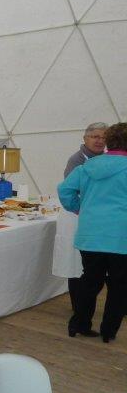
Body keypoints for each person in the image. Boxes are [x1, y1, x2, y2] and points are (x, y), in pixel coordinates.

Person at [58, 123, 127, 343]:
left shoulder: (88, 166)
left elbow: (64, 190)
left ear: (109, 141)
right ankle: (108, 331)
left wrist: (79, 208)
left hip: (90, 234)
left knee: (90, 281)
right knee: (119, 286)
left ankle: (78, 324)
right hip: (121, 236)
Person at [54, 122, 107, 338]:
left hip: (95, 219)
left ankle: (83, 313)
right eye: (95, 136)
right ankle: (79, 310)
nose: (99, 140)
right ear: (85, 139)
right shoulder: (76, 160)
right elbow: (69, 190)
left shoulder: (107, 159)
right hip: (76, 218)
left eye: (103, 137)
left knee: (93, 267)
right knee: (76, 265)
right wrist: (82, 208)